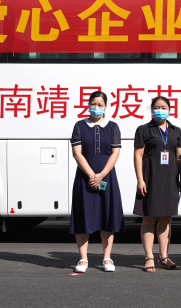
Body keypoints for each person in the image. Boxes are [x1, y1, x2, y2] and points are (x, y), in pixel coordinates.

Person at [69, 91, 124, 273]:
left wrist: (101, 175)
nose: (96, 107)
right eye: (93, 104)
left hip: (107, 177)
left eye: (100, 105)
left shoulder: (113, 127)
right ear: (88, 105)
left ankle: (107, 257)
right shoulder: (80, 126)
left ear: (106, 107)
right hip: (84, 178)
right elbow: (77, 153)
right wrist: (92, 175)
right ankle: (83, 259)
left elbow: (115, 153)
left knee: (107, 216)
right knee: (83, 216)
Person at [133, 96, 181, 272]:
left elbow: (180, 157)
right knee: (149, 217)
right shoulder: (143, 129)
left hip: (170, 178)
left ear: (169, 110)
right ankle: (149, 257)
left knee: (166, 218)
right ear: (151, 110)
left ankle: (163, 257)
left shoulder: (176, 131)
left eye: (164, 107)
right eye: (156, 107)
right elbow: (138, 156)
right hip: (150, 177)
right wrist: (140, 180)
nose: (160, 110)